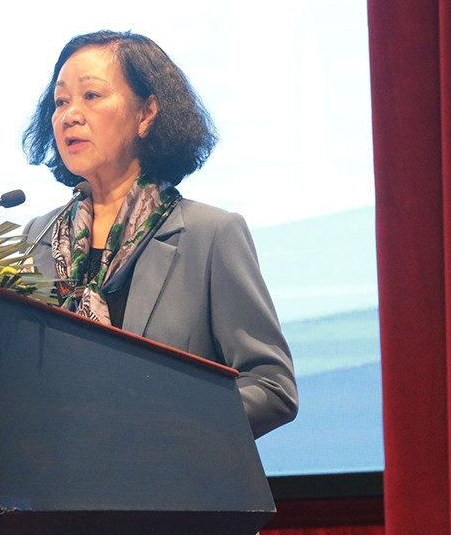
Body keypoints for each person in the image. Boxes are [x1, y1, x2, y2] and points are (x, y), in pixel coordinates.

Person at [21, 30, 298, 439]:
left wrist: (166, 433)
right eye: (61, 101)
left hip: (170, 473)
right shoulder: (39, 238)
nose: (70, 115)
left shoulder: (209, 235)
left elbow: (272, 386)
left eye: (91, 96)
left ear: (146, 113)